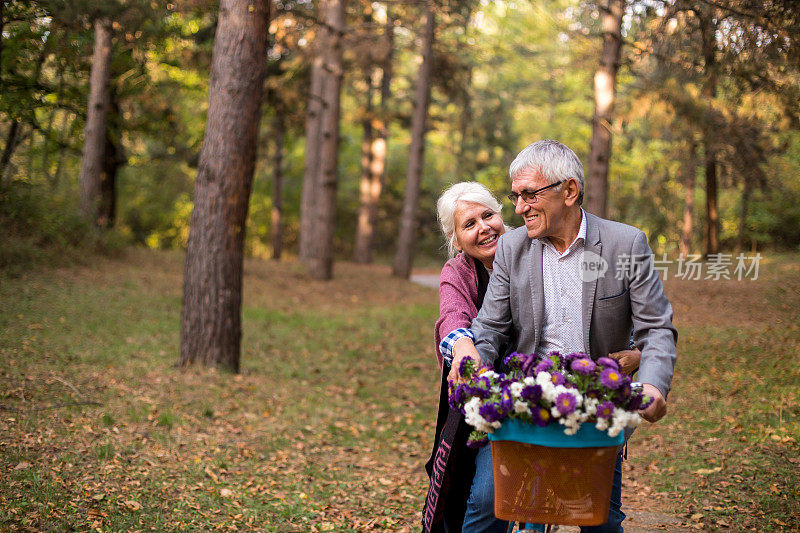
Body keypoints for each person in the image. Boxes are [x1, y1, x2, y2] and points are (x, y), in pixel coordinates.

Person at [447, 140, 678, 533]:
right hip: (522, 401)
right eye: (515, 197)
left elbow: (656, 328)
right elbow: (490, 327)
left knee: (599, 518)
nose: (518, 209)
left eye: (529, 195)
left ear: (569, 191)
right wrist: (473, 360)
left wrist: (653, 386)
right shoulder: (513, 248)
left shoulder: (626, 244)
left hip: (595, 403)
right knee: (488, 504)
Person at [422, 182, 641, 533]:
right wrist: (464, 347)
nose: (483, 228)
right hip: (504, 399)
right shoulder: (459, 273)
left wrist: (633, 352)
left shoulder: (539, 245)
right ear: (455, 240)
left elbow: (603, 307)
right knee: (485, 499)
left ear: (502, 216)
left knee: (593, 508)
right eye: (468, 224)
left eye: (488, 215)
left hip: (570, 387)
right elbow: (453, 314)